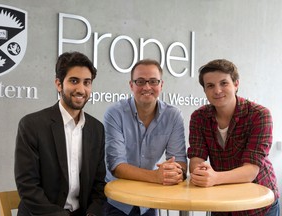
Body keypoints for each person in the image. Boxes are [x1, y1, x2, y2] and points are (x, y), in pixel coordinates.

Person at [14, 52, 106, 216]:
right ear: (58, 84)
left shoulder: (96, 129)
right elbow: (27, 186)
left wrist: (92, 213)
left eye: (87, 82)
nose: (81, 89)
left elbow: (99, 185)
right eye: (74, 81)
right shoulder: (31, 125)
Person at [187, 59, 280, 216]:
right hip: (221, 203)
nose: (217, 90)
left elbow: (250, 170)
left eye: (224, 83)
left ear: (236, 84)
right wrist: (199, 172)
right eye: (210, 85)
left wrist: (214, 178)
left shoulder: (259, 115)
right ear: (204, 90)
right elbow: (196, 156)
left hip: (258, 204)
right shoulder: (199, 117)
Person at [104, 59, 187, 216]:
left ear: (161, 85)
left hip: (149, 202)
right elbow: (117, 166)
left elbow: (180, 162)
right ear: (131, 85)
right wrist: (157, 176)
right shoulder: (115, 113)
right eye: (140, 81)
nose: (147, 87)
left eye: (153, 81)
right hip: (117, 202)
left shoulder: (173, 116)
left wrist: (176, 172)